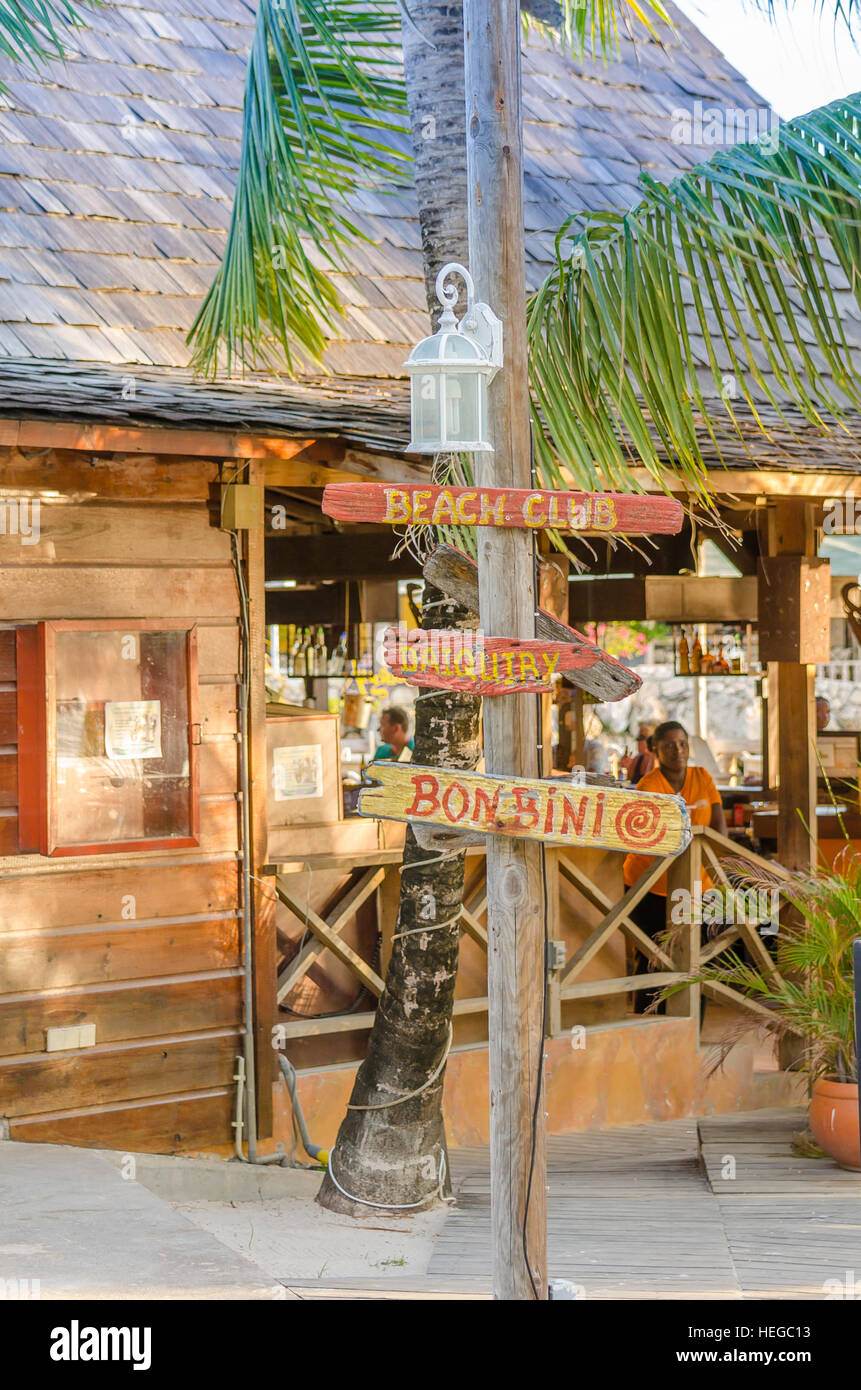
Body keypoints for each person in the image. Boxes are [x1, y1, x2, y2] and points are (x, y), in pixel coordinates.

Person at [622, 721, 727, 1015]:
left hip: (699, 886)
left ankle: (692, 1026)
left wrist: (716, 867)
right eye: (668, 745)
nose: (677, 751)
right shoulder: (649, 786)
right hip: (651, 886)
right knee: (655, 958)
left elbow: (719, 827)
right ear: (655, 749)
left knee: (698, 958)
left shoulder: (702, 776)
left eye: (682, 744)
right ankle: (648, 1026)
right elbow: (647, 836)